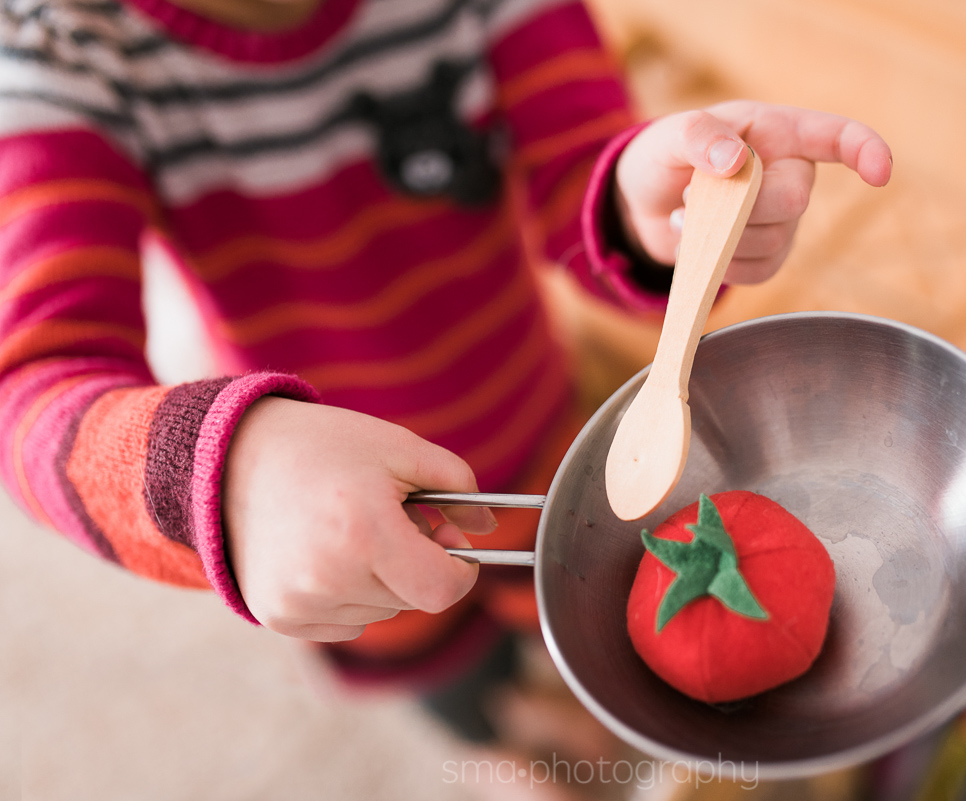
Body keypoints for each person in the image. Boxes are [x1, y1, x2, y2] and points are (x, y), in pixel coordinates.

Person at [0, 0, 890, 749]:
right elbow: (34, 388)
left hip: (543, 429)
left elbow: (577, 163)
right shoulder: (57, 52)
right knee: (460, 688)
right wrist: (223, 474)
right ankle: (513, 746)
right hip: (334, 518)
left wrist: (642, 207)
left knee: (582, 617)